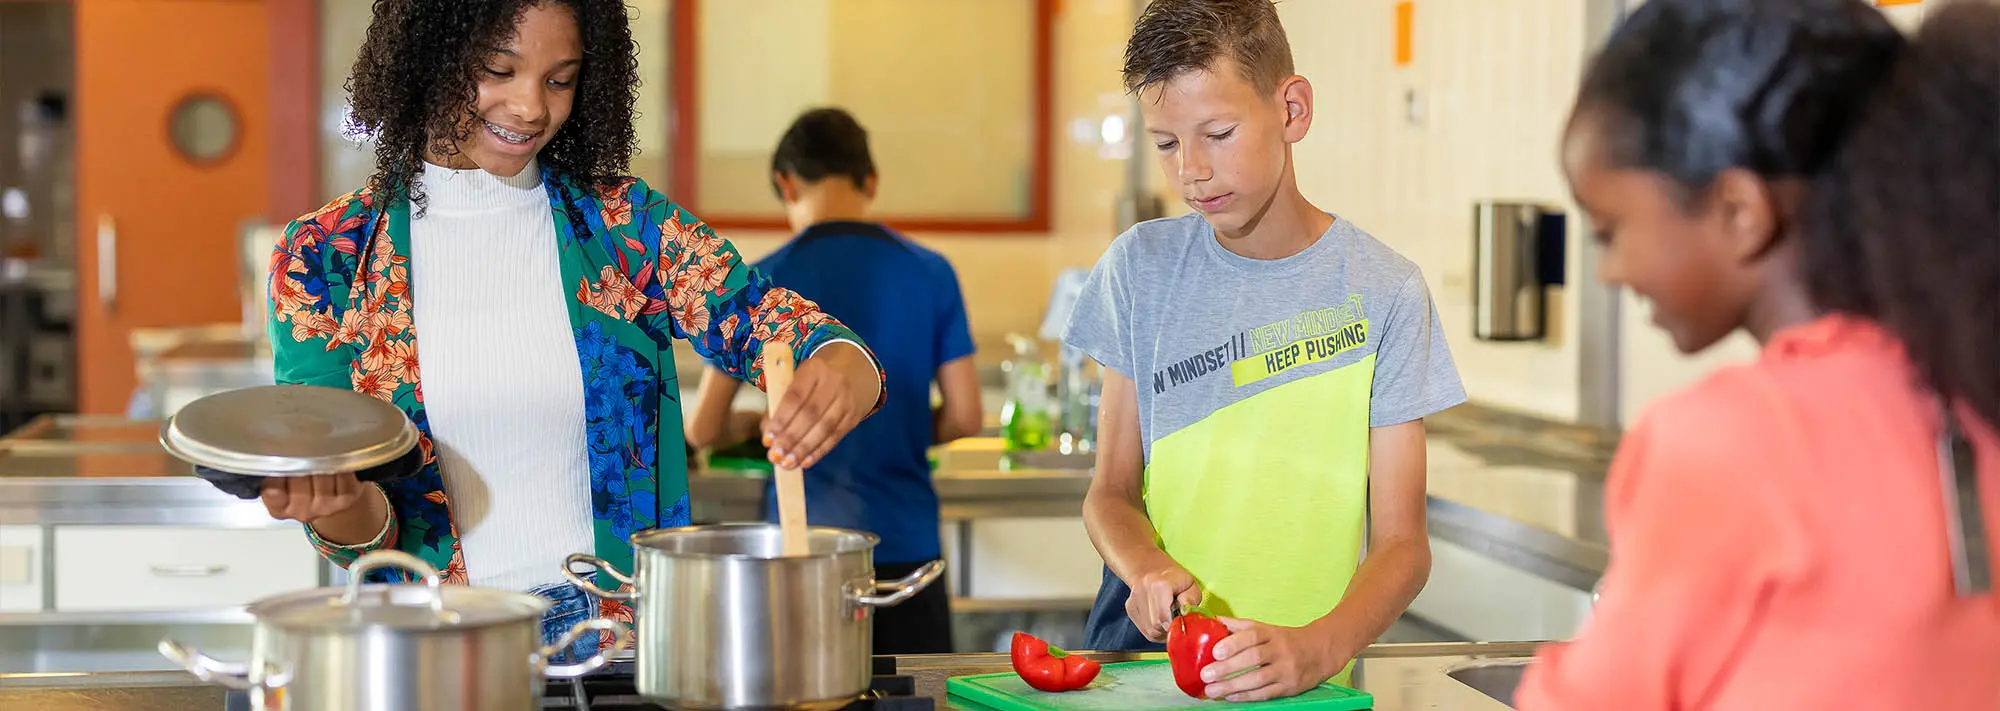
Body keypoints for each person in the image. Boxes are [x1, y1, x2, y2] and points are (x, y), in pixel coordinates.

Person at [197, 0, 887, 661]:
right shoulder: (325, 257)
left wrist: (843, 362)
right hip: (433, 650)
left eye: (559, 79)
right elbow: (364, 535)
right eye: (498, 70)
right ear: (431, 53)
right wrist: (334, 504)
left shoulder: (626, 227)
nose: (531, 107)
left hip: (619, 643)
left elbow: (765, 319)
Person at [1517, 1, 2000, 708]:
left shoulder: (1727, 439)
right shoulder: (1973, 379)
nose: (1608, 274)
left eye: (1610, 230)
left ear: (1739, 211)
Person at [1063, 0, 1465, 700]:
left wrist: (1317, 647)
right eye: (1165, 143)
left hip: (1301, 678)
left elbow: (1403, 546)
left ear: (1293, 110)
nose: (1190, 169)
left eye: (1217, 133)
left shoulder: (1385, 291)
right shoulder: (1139, 270)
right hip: (1147, 668)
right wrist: (1144, 566)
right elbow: (1111, 491)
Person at [685, 107, 982, 654]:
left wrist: (761, 426)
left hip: (804, 550)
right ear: (870, 181)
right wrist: (905, 425)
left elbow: (703, 428)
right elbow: (966, 415)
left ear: (785, 182)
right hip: (908, 549)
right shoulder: (932, 271)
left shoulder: (763, 282)